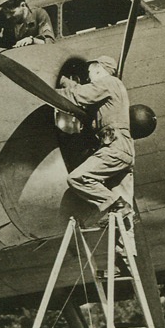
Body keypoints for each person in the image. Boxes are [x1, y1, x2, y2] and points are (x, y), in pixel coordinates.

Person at [58, 56, 134, 230]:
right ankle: (125, 252)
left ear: (99, 68)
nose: (89, 77)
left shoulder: (108, 82)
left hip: (114, 148)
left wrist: (53, 89)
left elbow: (79, 95)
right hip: (125, 150)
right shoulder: (115, 87)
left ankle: (116, 203)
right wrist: (65, 82)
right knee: (125, 220)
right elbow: (83, 91)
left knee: (78, 178)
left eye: (90, 72)